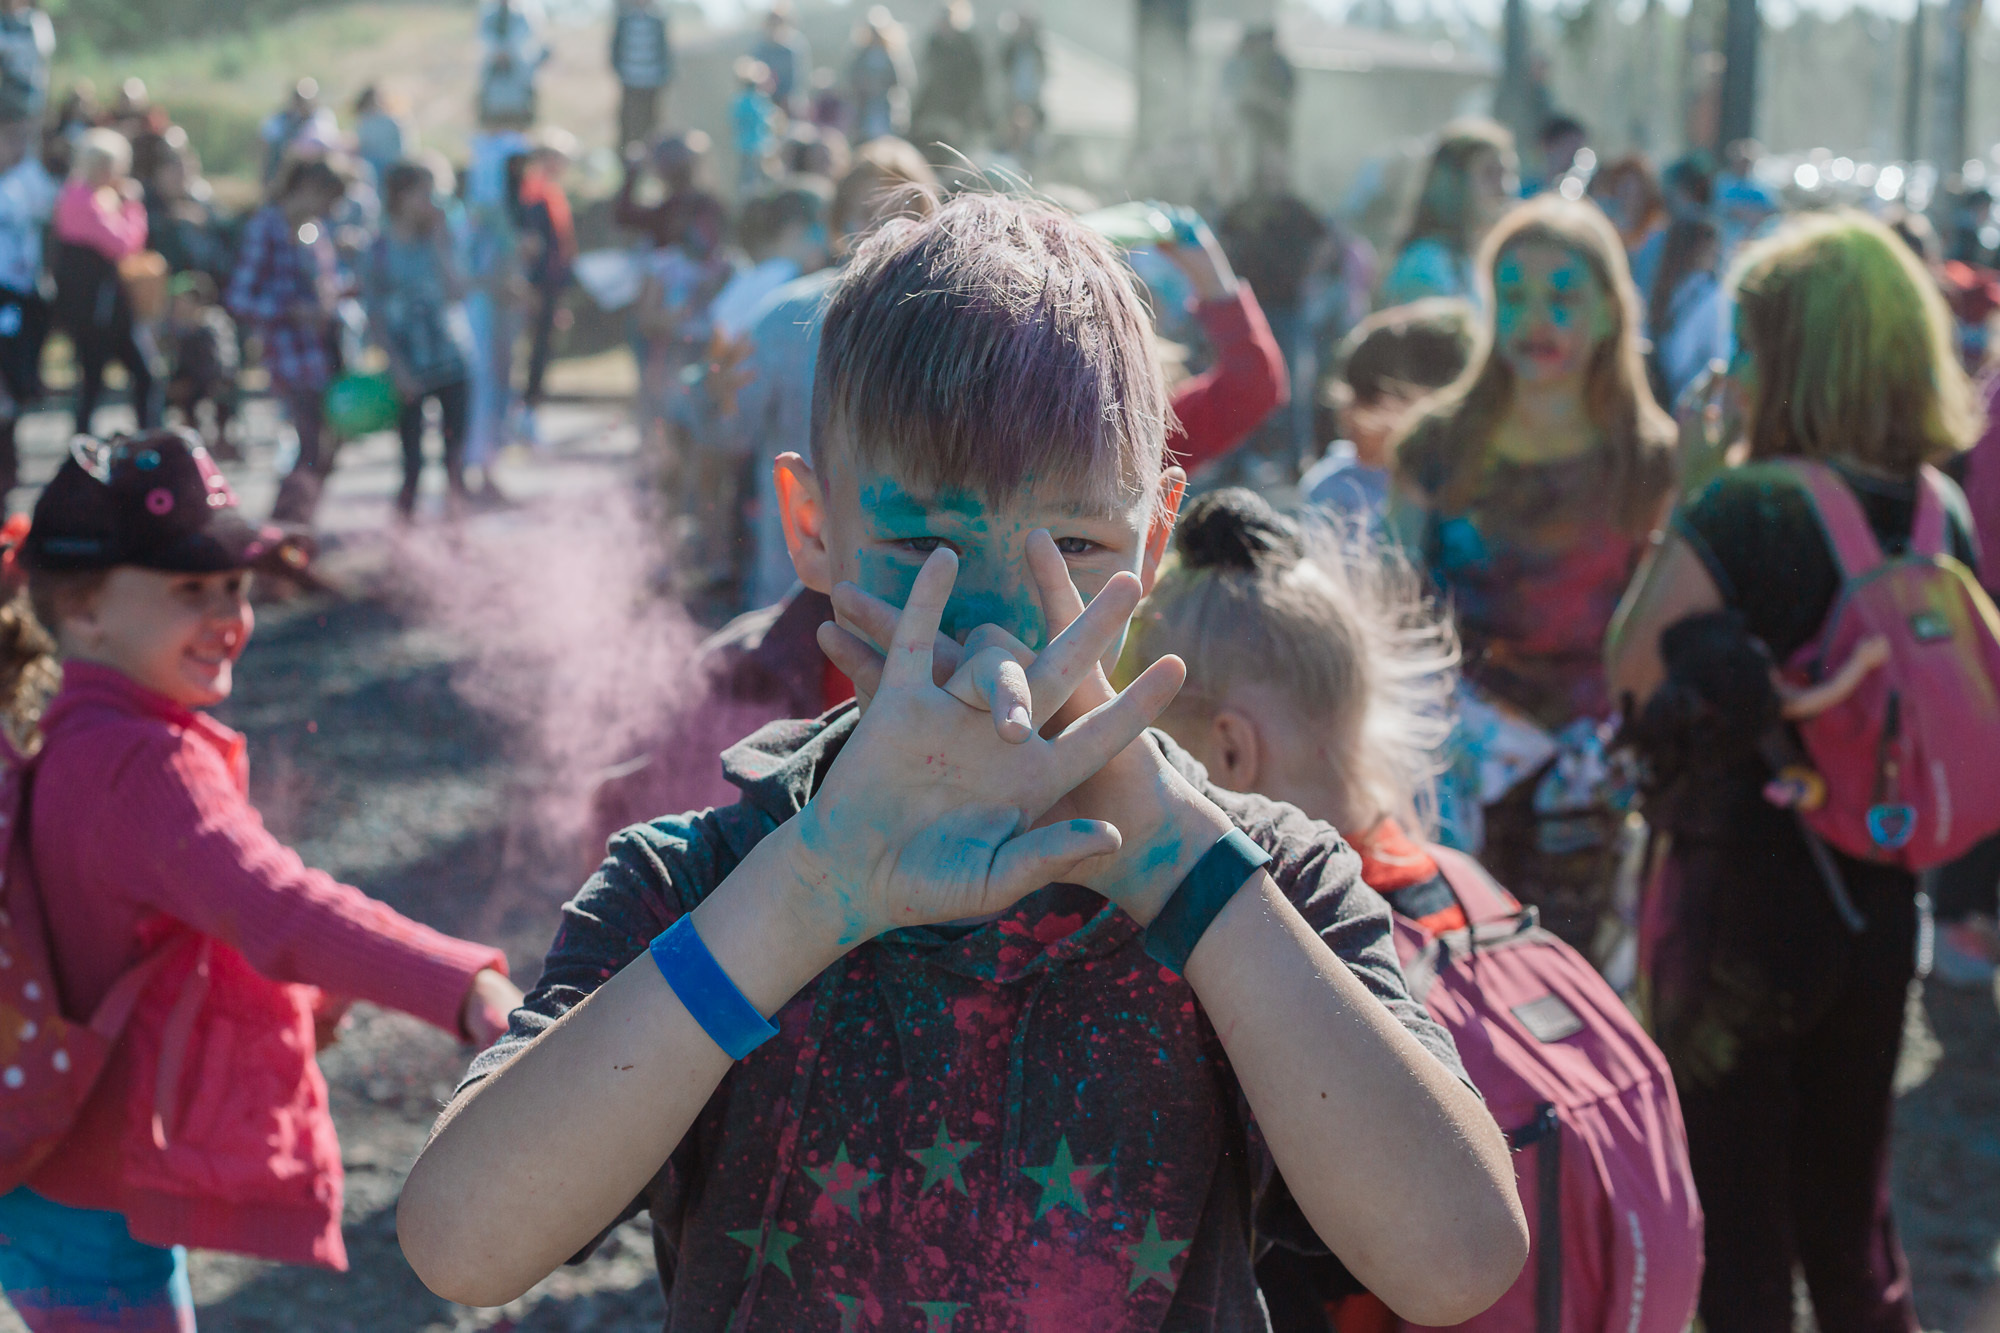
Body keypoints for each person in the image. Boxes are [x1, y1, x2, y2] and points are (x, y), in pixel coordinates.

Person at [398, 187, 1527, 1327]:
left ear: (1154, 538)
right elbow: (461, 1245)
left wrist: (1181, 870)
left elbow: (1459, 1259)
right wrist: (808, 891)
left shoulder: (1267, 878)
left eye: (1073, 544)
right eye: (920, 542)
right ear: (811, 526)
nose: (999, 631)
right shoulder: (699, 880)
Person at [0, 430, 523, 1332]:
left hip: (49, 1158)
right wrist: (462, 983)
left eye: (235, 586)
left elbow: (155, 921)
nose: (228, 618)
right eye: (189, 590)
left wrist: (305, 995)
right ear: (84, 610)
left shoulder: (72, 723)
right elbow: (279, 908)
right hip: (95, 1197)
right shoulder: (146, 764)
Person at [1606, 210, 1986, 1333]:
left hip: (1738, 903)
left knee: (1736, 1229)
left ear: (1789, 352)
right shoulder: (1935, 506)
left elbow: (1630, 666)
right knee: (1849, 1217)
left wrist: (1691, 485)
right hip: (1880, 894)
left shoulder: (1747, 502)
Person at [1389, 194, 1676, 956]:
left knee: (1566, 983)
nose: (1535, 319)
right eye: (1513, 295)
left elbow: (1659, 631)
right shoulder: (1436, 442)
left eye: (1563, 297)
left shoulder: (1651, 459)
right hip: (1450, 781)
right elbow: (1392, 611)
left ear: (1610, 313)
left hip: (1589, 787)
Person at [227, 158, 348, 523]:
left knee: (330, 446)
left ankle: (299, 521)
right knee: (311, 445)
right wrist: (291, 311)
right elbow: (240, 298)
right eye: (328, 199)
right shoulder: (267, 227)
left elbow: (326, 286)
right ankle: (286, 524)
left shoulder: (314, 230)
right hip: (288, 355)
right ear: (307, 189)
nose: (332, 210)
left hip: (323, 352)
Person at [1301, 298, 1475, 528]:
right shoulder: (1334, 485)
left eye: (1368, 400)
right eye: (1348, 397)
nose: (1345, 415)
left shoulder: (1450, 497)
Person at [367, 162, 475, 520]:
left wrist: (442, 245)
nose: (432, 202)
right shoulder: (379, 250)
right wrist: (396, 368)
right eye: (424, 193)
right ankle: (403, 533)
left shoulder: (440, 239)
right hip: (409, 363)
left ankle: (456, 531)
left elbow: (458, 293)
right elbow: (375, 317)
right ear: (400, 197)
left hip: (451, 359)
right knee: (412, 461)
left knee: (455, 458)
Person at [52, 127, 158, 438]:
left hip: (107, 307)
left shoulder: (94, 196)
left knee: (132, 376)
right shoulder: (81, 198)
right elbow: (123, 244)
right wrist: (133, 206)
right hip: (95, 310)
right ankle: (86, 446)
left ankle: (147, 438)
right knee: (97, 380)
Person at [1379, 118, 1517, 309]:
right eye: (1489, 173)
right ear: (1452, 184)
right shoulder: (1426, 265)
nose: (1504, 189)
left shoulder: (1469, 260)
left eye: (1507, 174)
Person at [0, 110, 52, 501]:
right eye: (11, 138)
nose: (18, 147)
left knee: (15, 384)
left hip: (18, 295)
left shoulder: (23, 180)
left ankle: (8, 463)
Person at [516, 131, 576, 440]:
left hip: (551, 284)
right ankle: (525, 409)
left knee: (542, 346)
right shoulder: (534, 193)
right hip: (539, 285)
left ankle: (531, 407)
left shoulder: (551, 192)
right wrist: (534, 288)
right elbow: (537, 246)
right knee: (533, 348)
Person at [1647, 217, 1728, 411]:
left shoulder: (1664, 289)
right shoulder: (1711, 295)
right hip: (1685, 399)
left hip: (1667, 394)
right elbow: (1720, 354)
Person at [162, 271, 241, 461]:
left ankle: (219, 442)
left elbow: (222, 359)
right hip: (193, 379)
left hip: (214, 378)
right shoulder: (178, 326)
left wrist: (199, 382)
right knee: (179, 397)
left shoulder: (211, 323)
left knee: (214, 398)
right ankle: (191, 441)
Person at [910, 0, 989, 160]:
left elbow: (977, 78)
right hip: (935, 106)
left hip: (961, 107)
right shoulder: (934, 43)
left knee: (959, 150)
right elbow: (926, 75)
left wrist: (972, 106)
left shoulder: (967, 44)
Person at [610, 0, 674, 151]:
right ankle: (626, 158)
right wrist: (620, 71)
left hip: (652, 80)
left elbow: (664, 49)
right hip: (630, 80)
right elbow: (615, 47)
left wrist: (665, 75)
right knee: (628, 122)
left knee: (651, 123)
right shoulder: (624, 19)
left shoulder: (657, 20)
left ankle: (651, 158)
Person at [849, 6, 915, 143]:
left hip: (885, 106)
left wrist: (882, 84)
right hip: (866, 106)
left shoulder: (892, 55)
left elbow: (902, 80)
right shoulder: (861, 54)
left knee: (886, 139)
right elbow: (852, 77)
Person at [259, 79, 335, 185]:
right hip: (287, 164)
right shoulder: (281, 119)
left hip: (315, 162)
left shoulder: (322, 116)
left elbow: (325, 141)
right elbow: (268, 139)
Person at [995, 10, 1046, 166]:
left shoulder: (1036, 50)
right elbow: (1002, 72)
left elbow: (1040, 75)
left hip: (1029, 99)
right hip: (1012, 98)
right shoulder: (1011, 48)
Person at [730, 57, 781, 194]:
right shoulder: (758, 101)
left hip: (743, 146)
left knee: (746, 180)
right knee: (762, 181)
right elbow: (768, 122)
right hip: (761, 146)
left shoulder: (738, 101)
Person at [0, 0, 54, 128]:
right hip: (7, 90)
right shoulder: (3, 22)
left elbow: (44, 52)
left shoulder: (37, 20)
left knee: (28, 131)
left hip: (30, 90)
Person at [752, 3, 812, 115]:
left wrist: (787, 100)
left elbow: (798, 78)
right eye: (772, 23)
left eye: (778, 23)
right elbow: (756, 75)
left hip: (790, 100)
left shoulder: (794, 47)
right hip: (767, 100)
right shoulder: (761, 48)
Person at [352, 84, 408, 191]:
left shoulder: (392, 122)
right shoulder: (364, 121)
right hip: (369, 168)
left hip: (391, 167)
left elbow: (403, 150)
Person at [1530, 113, 1588, 196]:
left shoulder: (1585, 194)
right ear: (1548, 146)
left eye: (1579, 149)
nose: (1574, 156)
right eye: (1568, 148)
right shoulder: (1527, 192)